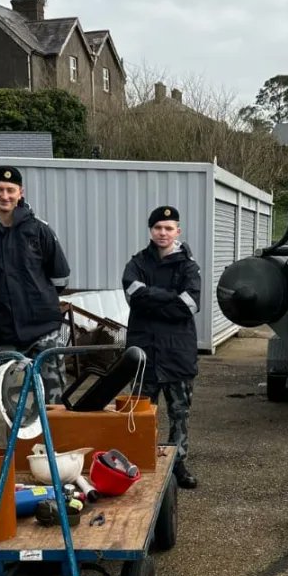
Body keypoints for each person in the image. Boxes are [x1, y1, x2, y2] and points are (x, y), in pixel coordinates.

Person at [0, 166, 72, 403]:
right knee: (12, 405)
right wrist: (3, 298)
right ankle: (19, 442)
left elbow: (60, 277)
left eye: (10, 190)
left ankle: (54, 441)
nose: (5, 196)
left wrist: (37, 298)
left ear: (20, 192)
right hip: (4, 333)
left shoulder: (39, 230)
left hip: (44, 330)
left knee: (53, 403)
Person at [122, 205, 202, 489]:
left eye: (169, 228)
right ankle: (143, 463)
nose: (163, 233)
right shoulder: (138, 263)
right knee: (142, 415)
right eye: (158, 228)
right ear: (151, 231)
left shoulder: (188, 267)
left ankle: (178, 464)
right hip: (145, 355)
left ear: (177, 231)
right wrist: (170, 298)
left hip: (177, 354)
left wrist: (152, 300)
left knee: (179, 414)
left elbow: (189, 304)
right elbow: (133, 293)